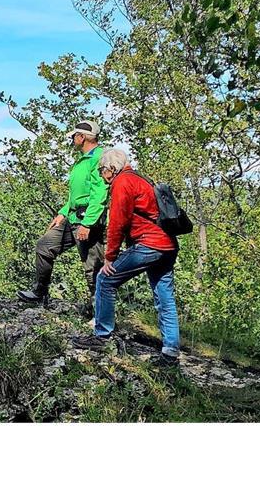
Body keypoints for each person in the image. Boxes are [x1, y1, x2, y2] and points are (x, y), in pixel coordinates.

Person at [71, 148, 180, 361]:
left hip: (149, 245)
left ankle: (102, 337)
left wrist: (110, 258)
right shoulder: (140, 178)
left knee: (105, 279)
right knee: (165, 298)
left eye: (102, 170)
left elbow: (117, 224)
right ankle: (170, 352)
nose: (102, 176)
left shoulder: (122, 182)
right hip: (167, 244)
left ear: (112, 168)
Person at [17, 120, 108, 313]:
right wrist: (63, 212)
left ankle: (99, 313)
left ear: (82, 137)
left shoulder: (99, 159)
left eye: (74, 135)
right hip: (73, 218)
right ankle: (40, 292)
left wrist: (88, 223)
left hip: (87, 221)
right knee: (45, 245)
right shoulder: (81, 160)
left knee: (93, 267)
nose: (72, 139)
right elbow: (76, 195)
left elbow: (99, 194)